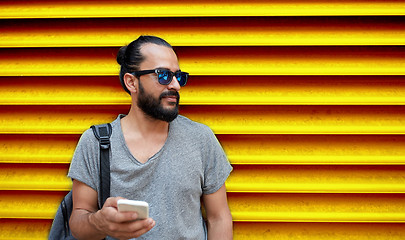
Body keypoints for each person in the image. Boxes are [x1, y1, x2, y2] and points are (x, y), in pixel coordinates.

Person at [68, 35, 233, 239]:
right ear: (132, 82)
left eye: (178, 76)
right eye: (163, 75)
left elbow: (219, 218)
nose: (175, 85)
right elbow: (78, 221)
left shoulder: (201, 138)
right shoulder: (96, 143)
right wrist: (99, 222)